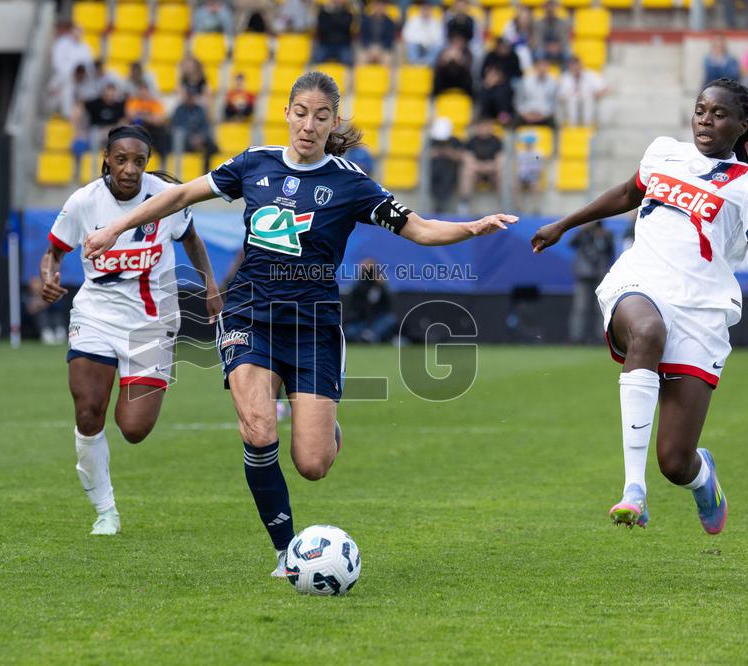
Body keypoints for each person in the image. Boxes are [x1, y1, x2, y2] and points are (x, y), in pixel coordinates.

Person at [84, 71, 516, 575]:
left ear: (334, 122)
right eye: (302, 113)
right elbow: (179, 197)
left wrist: (472, 226)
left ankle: (328, 431)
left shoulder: (351, 182)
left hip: (313, 323)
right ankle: (286, 552)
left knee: (312, 464)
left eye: (322, 116)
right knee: (258, 427)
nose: (309, 125)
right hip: (250, 313)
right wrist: (116, 226)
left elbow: (417, 228)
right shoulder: (253, 164)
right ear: (287, 112)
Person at [531, 78, 748, 535]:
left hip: (701, 310)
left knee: (675, 460)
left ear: (743, 125)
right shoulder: (663, 152)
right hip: (640, 280)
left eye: (719, 114)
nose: (706, 120)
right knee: (646, 331)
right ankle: (634, 491)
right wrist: (565, 224)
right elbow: (629, 194)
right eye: (700, 110)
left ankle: (703, 478)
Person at [40, 125, 222, 535]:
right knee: (88, 411)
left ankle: (133, 407)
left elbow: (192, 240)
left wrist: (210, 283)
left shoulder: (165, 197)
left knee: (134, 429)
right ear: (106, 157)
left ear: (147, 163)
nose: (129, 169)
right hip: (96, 317)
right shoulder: (84, 202)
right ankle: (106, 511)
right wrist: (49, 276)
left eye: (138, 161)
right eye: (121, 159)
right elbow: (53, 252)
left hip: (152, 323)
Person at [567, 220, 614, 344]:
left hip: (600, 275)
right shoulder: (583, 234)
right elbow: (571, 243)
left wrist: (602, 238)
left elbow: (611, 253)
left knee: (600, 307)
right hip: (584, 275)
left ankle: (601, 337)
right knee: (580, 307)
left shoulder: (606, 235)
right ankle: (576, 337)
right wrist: (582, 230)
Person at [344, 258, 397, 343]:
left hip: (377, 320)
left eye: (371, 269)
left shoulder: (380, 286)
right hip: (361, 320)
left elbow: (387, 306)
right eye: (366, 269)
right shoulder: (358, 286)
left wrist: (381, 286)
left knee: (389, 319)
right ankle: (365, 337)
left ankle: (370, 335)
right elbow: (354, 307)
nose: (369, 273)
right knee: (349, 331)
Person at [459, 118, 504, 207]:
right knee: (467, 172)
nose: (484, 128)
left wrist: (489, 166)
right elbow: (467, 158)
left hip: (492, 170)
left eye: (487, 126)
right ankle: (464, 203)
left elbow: (500, 160)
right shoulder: (471, 141)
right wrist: (479, 166)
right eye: (482, 126)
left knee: (502, 174)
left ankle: (503, 204)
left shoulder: (497, 141)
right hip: (476, 170)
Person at [557, 55, 606, 126]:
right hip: (570, 103)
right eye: (573, 66)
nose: (576, 68)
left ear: (581, 65)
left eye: (577, 65)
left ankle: (587, 125)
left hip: (588, 100)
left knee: (588, 99)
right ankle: (573, 126)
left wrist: (597, 93)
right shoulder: (564, 77)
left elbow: (604, 88)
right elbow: (561, 95)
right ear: (569, 66)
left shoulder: (590, 75)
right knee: (573, 100)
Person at [515, 57, 558, 126]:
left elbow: (554, 103)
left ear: (548, 68)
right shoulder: (525, 81)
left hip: (544, 113)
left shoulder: (553, 82)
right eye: (540, 66)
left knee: (555, 123)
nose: (542, 69)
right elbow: (518, 100)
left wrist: (544, 115)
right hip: (527, 111)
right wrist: (525, 114)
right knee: (515, 120)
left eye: (545, 66)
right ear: (535, 67)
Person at [311, 0, 354, 66]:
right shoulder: (323, 13)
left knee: (349, 62)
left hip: (342, 45)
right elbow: (323, 28)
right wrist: (333, 15)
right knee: (314, 61)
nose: (337, 1)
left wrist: (332, 16)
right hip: (326, 44)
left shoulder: (348, 13)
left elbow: (345, 26)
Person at [402, 1, 445, 66]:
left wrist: (427, 43)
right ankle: (415, 64)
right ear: (420, 10)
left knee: (438, 47)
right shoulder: (413, 20)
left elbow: (440, 39)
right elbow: (406, 36)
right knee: (411, 45)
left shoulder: (436, 23)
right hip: (417, 46)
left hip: (430, 47)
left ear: (431, 11)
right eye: (424, 9)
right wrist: (421, 42)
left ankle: (428, 64)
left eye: (428, 10)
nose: (426, 12)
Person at [531, 0, 569, 67]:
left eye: (552, 7)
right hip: (544, 49)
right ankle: (542, 74)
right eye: (547, 7)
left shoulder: (561, 23)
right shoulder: (539, 24)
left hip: (558, 49)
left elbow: (564, 40)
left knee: (567, 53)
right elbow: (538, 40)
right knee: (539, 53)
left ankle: (564, 75)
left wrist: (557, 47)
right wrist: (548, 47)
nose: (550, 9)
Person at [358, 0, 397, 66]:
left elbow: (390, 39)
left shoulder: (390, 22)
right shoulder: (366, 21)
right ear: (373, 6)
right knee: (361, 58)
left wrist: (380, 50)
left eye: (381, 5)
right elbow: (363, 37)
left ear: (385, 7)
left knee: (387, 59)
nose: (379, 8)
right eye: (377, 5)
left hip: (383, 49)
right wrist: (369, 49)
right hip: (368, 48)